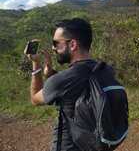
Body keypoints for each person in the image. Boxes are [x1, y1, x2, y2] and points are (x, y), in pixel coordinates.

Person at [27, 18, 99, 151]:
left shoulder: (63, 80)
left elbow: (35, 99)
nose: (53, 48)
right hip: (97, 144)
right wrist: (51, 72)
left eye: (56, 43)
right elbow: (73, 87)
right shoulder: (103, 70)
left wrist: (36, 64)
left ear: (72, 45)